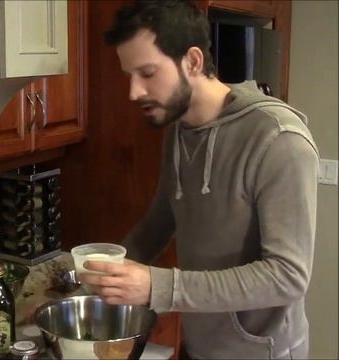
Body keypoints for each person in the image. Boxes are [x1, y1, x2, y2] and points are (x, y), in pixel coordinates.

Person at [76, 1, 319, 359]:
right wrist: (112, 273)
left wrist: (158, 286)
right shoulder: (180, 129)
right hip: (202, 343)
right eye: (129, 75)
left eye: (147, 72)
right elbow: (162, 218)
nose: (134, 92)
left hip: (263, 353)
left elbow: (288, 276)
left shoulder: (278, 140)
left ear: (192, 61)